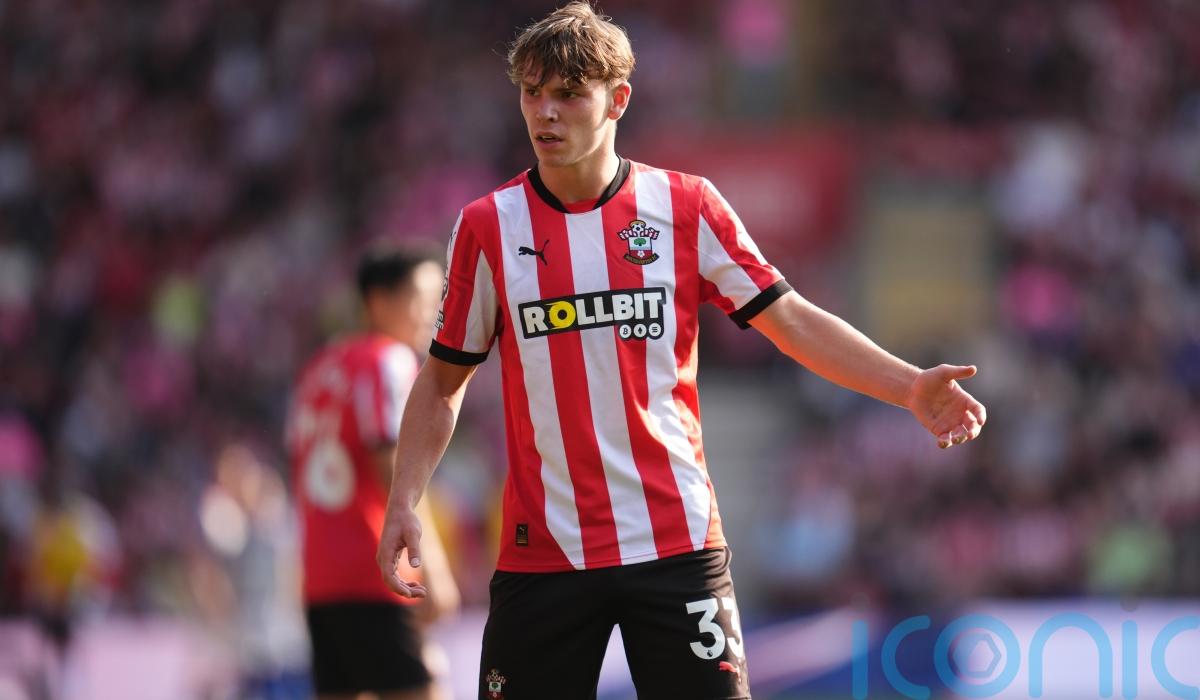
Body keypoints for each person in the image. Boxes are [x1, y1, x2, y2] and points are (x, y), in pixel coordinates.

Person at [376, 3, 986, 698]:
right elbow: (442, 381)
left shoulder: (686, 207)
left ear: (618, 100)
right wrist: (404, 501)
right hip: (545, 555)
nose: (545, 112)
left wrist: (908, 385)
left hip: (676, 542)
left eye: (569, 93)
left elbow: (791, 320)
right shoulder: (488, 227)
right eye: (532, 91)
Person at [287, 246, 459, 700]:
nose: (432, 313)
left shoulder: (320, 367)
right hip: (379, 572)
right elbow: (392, 469)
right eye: (421, 299)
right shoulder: (387, 360)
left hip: (322, 579)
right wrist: (432, 568)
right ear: (379, 301)